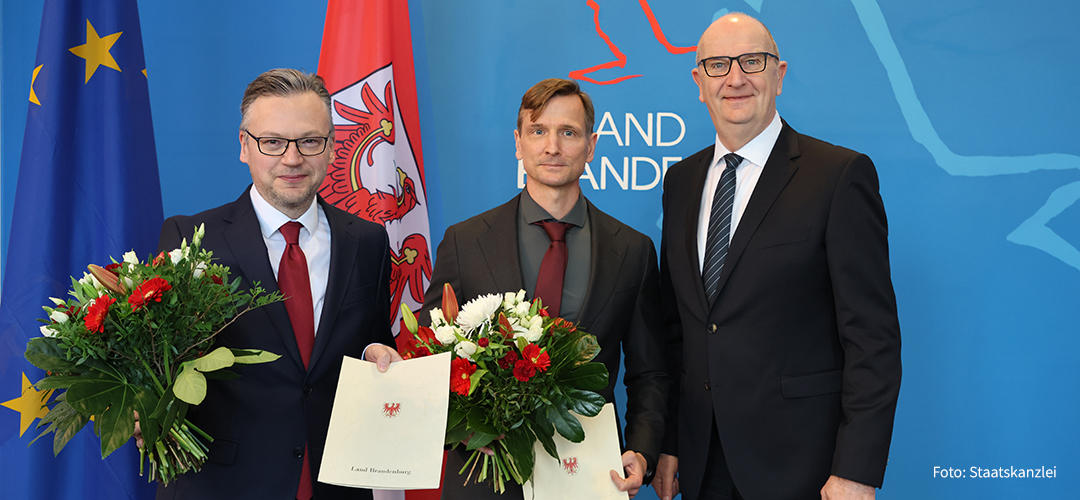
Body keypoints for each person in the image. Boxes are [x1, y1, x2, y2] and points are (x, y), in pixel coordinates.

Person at [654, 13, 902, 500]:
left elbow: (872, 339)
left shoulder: (838, 175)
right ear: (699, 82)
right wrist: (670, 443)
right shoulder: (680, 182)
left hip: (804, 468)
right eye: (718, 65)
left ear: (779, 74)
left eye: (752, 61)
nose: (736, 77)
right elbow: (678, 331)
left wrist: (857, 469)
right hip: (703, 466)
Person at [154, 68, 402, 500]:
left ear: (330, 147)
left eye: (309, 141)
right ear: (244, 146)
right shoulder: (190, 240)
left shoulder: (367, 241)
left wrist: (373, 353)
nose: (292, 159)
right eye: (272, 142)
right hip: (224, 484)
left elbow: (371, 340)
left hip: (336, 483)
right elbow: (161, 361)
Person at [421, 78, 669, 499]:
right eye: (538, 131)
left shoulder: (632, 250)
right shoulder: (464, 242)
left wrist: (642, 451)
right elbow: (432, 354)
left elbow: (650, 373)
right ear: (518, 143)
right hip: (483, 474)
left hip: (589, 474)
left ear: (591, 146)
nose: (552, 146)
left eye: (568, 133)